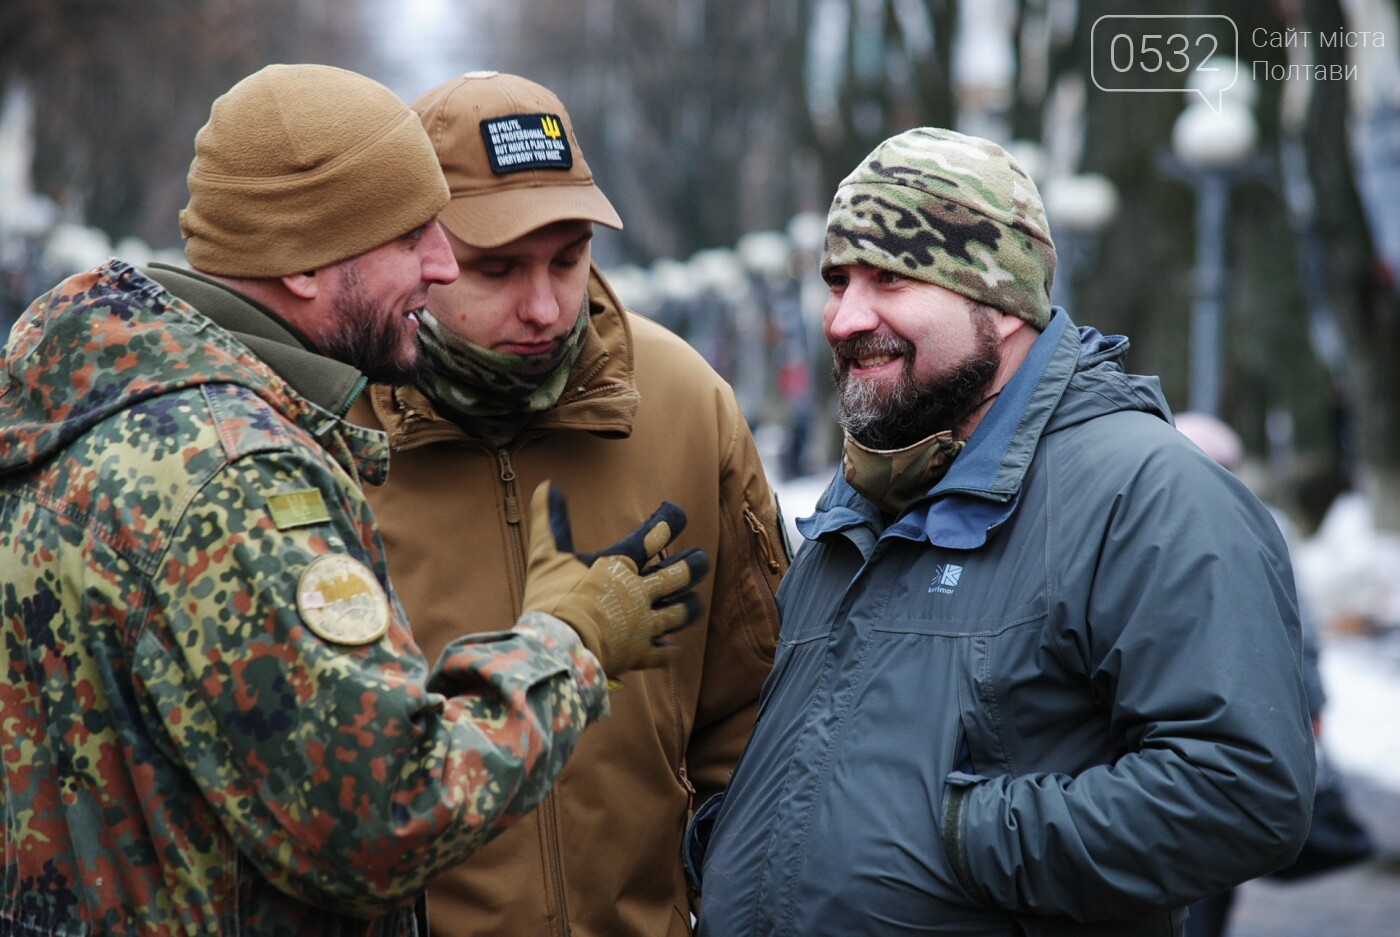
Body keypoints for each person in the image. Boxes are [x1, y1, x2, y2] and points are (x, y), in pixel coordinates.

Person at [0, 64, 709, 936]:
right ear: (303, 261)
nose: (440, 263)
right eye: (412, 236)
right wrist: (567, 641)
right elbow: (387, 812)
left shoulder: (101, 414)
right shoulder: (236, 481)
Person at [687, 127, 1316, 937]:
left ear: (1001, 300)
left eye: (891, 277)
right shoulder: (866, 494)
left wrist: (973, 839)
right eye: (838, 279)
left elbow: (1244, 789)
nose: (845, 318)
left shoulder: (1146, 493)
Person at [348, 71, 787, 937]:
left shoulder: (686, 404)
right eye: (498, 267)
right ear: (420, 250)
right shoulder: (327, 430)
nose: (546, 306)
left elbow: (757, 716)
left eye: (568, 257)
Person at [1171, 412, 1329, 937]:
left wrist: (1312, 706)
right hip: (1186, 722)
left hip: (1216, 719)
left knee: (1206, 860)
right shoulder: (1146, 521)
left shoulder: (1252, 526)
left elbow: (1297, 629)